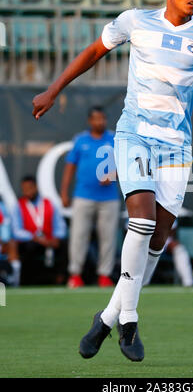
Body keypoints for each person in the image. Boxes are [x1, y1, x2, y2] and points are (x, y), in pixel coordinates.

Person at [32, 0, 193, 362]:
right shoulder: (135, 21)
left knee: (156, 242)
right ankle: (131, 321)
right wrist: (54, 89)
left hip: (177, 147)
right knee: (141, 222)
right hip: (134, 134)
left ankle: (106, 318)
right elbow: (92, 51)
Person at [61, 106, 120, 288]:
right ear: (89, 121)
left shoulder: (114, 139)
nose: (99, 122)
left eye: (102, 118)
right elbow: (70, 167)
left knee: (108, 237)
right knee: (79, 235)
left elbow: (126, 166)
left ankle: (104, 275)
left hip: (109, 197)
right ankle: (75, 274)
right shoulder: (80, 140)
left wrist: (112, 175)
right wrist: (64, 192)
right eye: (95, 119)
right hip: (83, 195)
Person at [11, 175, 67, 285]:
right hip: (32, 241)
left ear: (36, 187)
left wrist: (56, 237)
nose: (28, 192)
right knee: (28, 247)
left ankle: (61, 278)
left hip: (49, 240)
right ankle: (29, 280)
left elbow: (60, 225)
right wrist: (35, 238)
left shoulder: (49, 203)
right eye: (25, 189)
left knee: (65, 245)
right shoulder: (18, 205)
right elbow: (16, 231)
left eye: (30, 188)